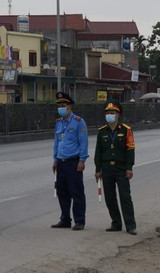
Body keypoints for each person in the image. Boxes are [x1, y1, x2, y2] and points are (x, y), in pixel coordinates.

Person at [94, 100, 137, 235]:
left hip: (121, 168)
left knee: (125, 197)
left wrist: (129, 167)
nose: (109, 115)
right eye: (107, 113)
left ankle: (130, 225)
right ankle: (116, 223)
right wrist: (97, 169)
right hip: (106, 168)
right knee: (110, 198)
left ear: (118, 115)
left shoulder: (126, 130)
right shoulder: (102, 132)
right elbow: (98, 152)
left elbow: (130, 149)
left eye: (112, 113)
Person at [51, 92, 89, 231]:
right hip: (61, 162)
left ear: (70, 106)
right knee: (62, 192)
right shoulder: (58, 122)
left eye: (63, 105)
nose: (61, 108)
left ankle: (80, 221)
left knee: (76, 192)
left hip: (74, 162)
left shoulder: (79, 122)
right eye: (59, 105)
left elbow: (83, 142)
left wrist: (82, 160)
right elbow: (57, 142)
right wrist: (55, 159)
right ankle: (65, 219)